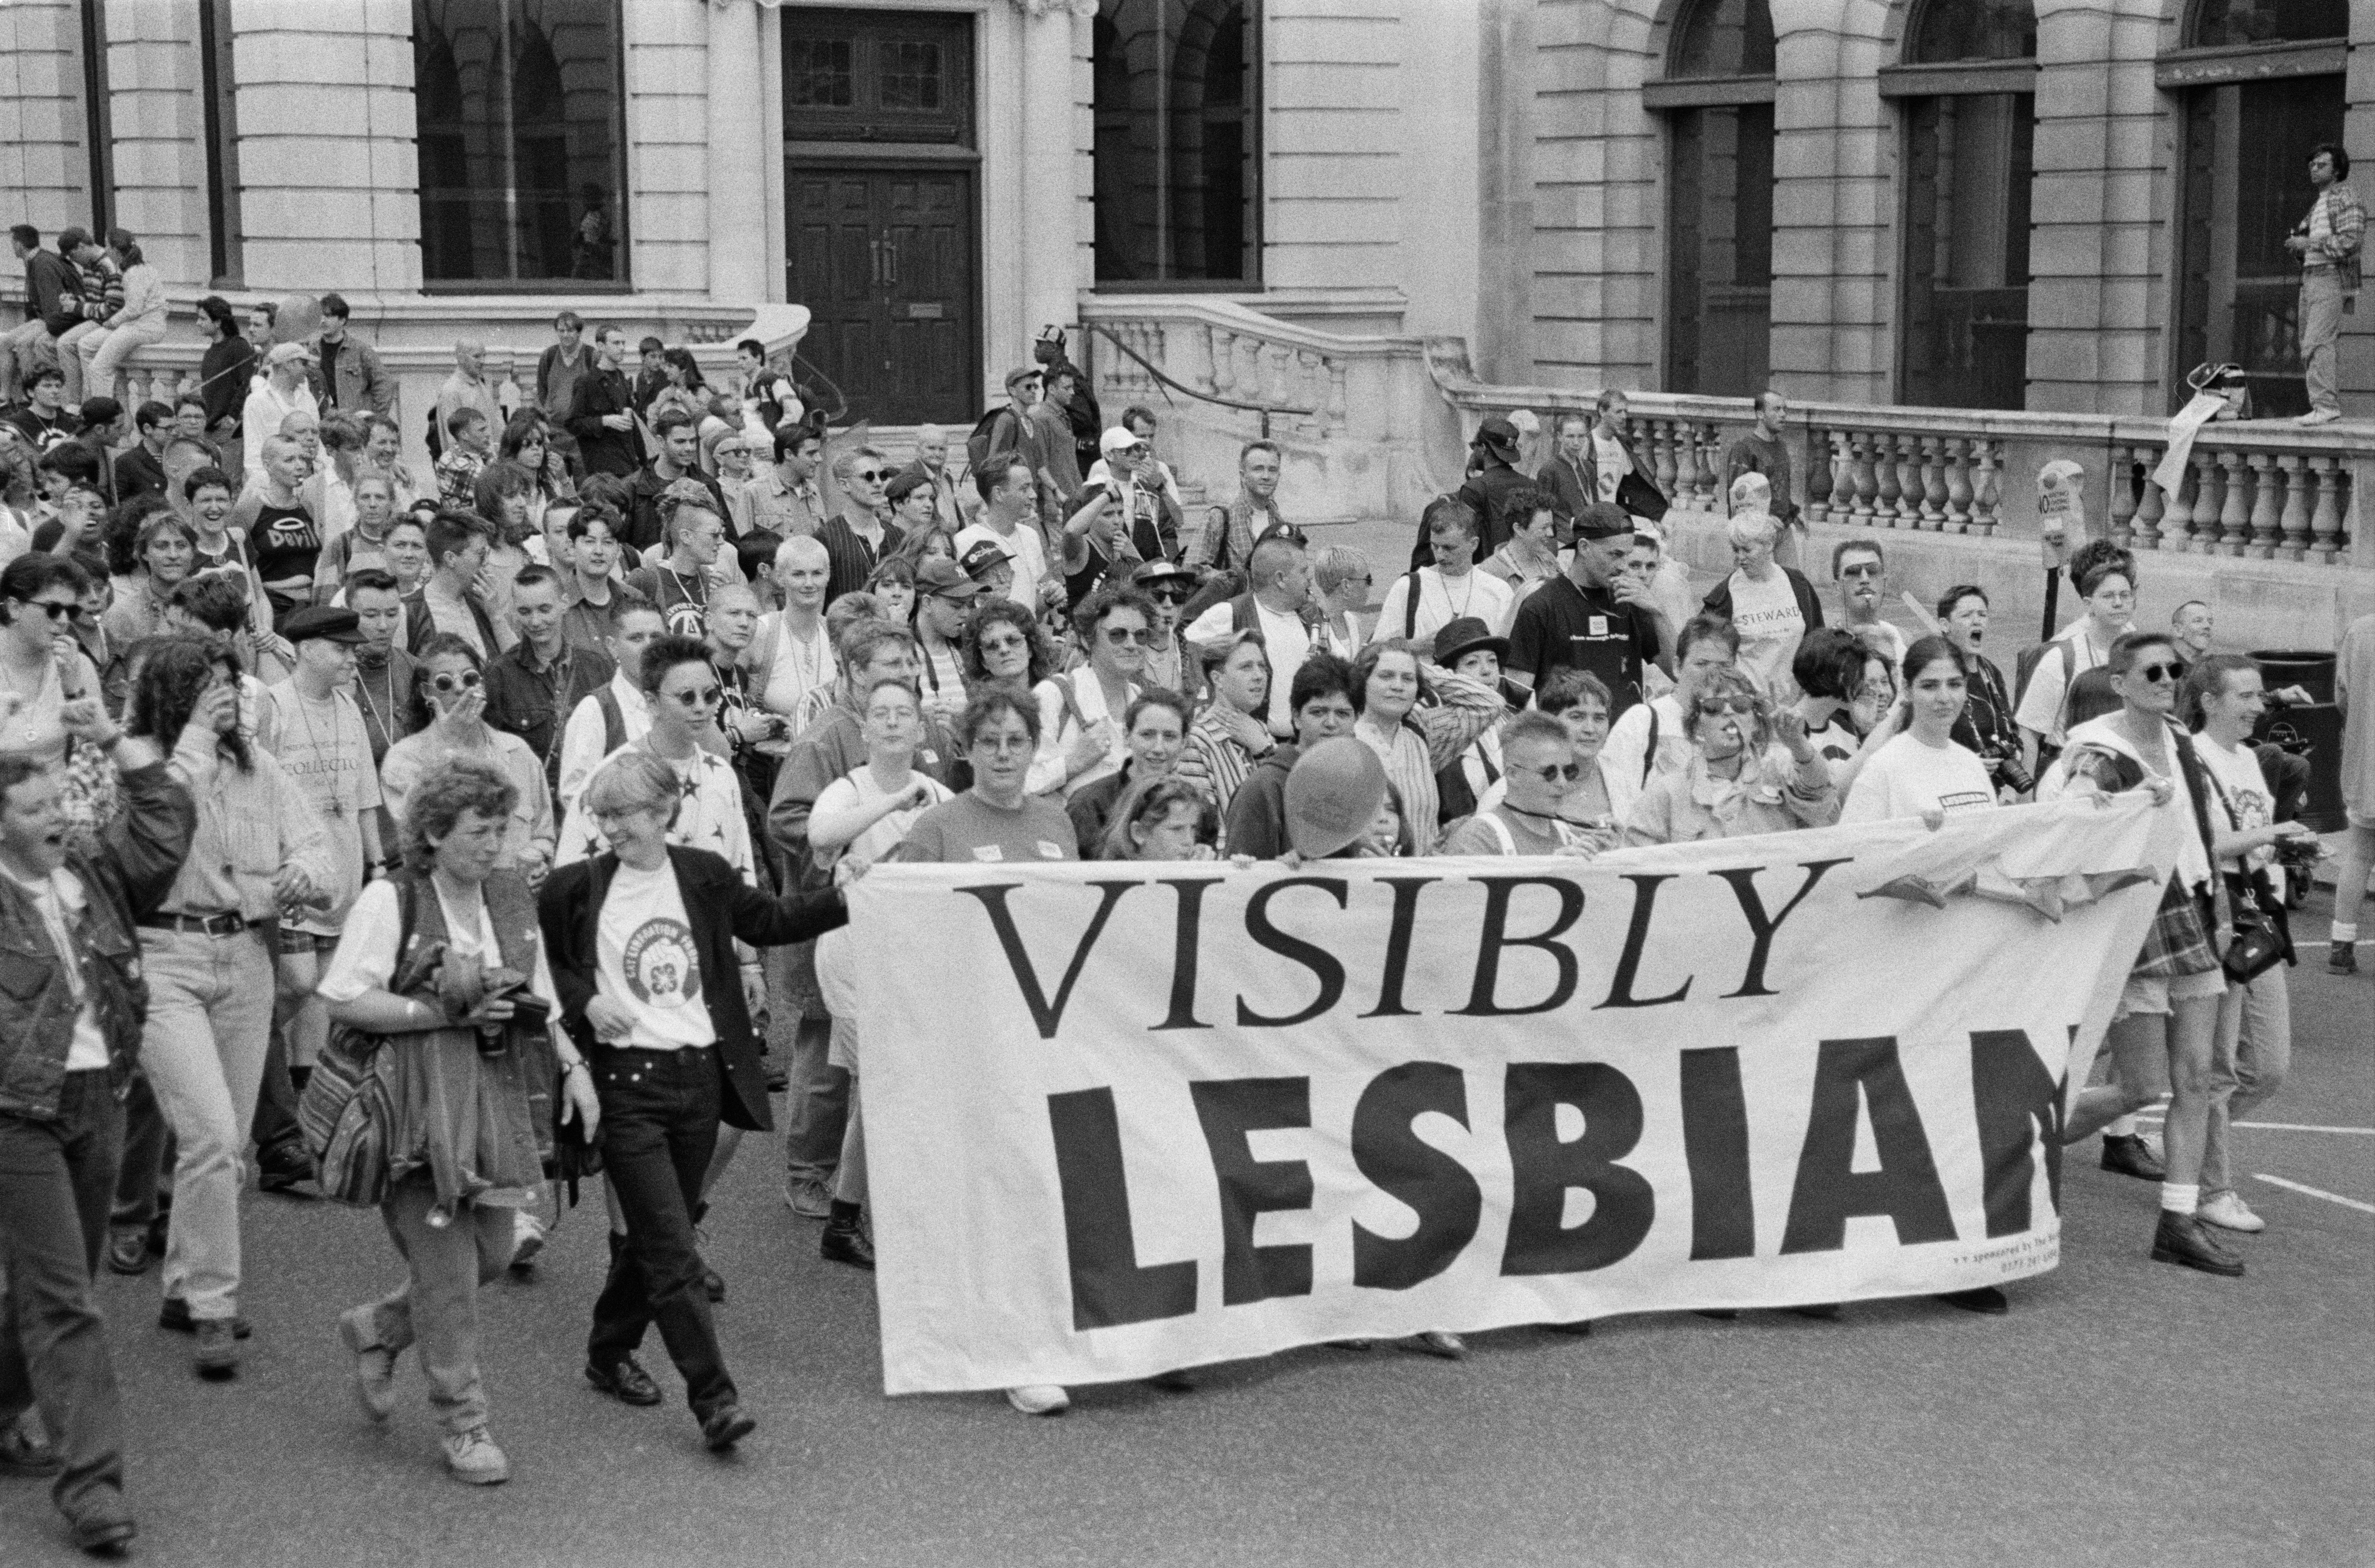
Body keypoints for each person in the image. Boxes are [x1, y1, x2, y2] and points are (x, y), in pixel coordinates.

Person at [539, 750, 848, 1453]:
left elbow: (769, 921)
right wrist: (588, 999)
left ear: (662, 812)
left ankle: (608, 1349)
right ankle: (715, 1399)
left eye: (624, 815)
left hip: (699, 1082)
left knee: (657, 1234)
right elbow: (547, 966)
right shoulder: (573, 889)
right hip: (624, 1088)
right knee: (675, 1249)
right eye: (603, 815)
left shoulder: (703, 874)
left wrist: (849, 897)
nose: (611, 827)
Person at [322, 757, 595, 1486]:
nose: (494, 844)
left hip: (495, 1099)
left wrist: (574, 1069)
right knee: (448, 1275)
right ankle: (464, 1424)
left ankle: (377, 1329)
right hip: (414, 1107)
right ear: (435, 835)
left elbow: (540, 1002)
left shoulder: (508, 895)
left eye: (501, 828)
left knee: (496, 1256)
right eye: (479, 831)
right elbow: (345, 1000)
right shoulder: (393, 899)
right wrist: (437, 1011)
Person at [0, 703, 192, 1555]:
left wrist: (116, 739)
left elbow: (164, 821)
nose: (57, 820)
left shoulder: (92, 872)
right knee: (68, 1300)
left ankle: (3, 1403)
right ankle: (93, 1487)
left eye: (58, 806)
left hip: (99, 1098)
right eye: (35, 809)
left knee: (58, 1285)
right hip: (18, 1116)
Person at [124, 639, 331, 1375]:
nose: (226, 698)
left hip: (245, 956)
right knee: (209, 1132)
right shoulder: (143, 762)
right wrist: (194, 740)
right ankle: (214, 1303)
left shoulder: (258, 768)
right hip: (165, 957)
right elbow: (158, 817)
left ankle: (183, 1285)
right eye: (208, 687)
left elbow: (316, 844)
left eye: (229, 686)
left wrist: (296, 876)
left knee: (227, 1145)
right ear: (175, 696)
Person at [2042, 631, 2238, 1275]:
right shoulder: (2101, 747)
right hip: (2135, 914)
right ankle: (2028, 1144)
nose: (2165, 677)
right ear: (2120, 681)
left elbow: (2199, 830)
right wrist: (2110, 800)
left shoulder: (2180, 738)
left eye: (2173, 668)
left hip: (2190, 908)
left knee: (2197, 1077)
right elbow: (2073, 807)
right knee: (2140, 1085)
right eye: (2150, 670)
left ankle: (2177, 1220)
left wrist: (2221, 904)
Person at [803, 675, 954, 1265]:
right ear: (863, 728)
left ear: (921, 729)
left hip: (913, 959)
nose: (893, 722)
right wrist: (895, 801)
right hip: (852, 956)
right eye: (881, 713)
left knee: (889, 1087)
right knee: (883, 1084)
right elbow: (820, 834)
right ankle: (850, 1217)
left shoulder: (940, 796)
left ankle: (854, 1215)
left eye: (904, 714)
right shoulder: (846, 789)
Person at [2183, 654, 2317, 1234]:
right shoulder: (2192, 757)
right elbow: (2205, 845)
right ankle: (2211, 1186)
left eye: (2261, 696)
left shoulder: (2246, 759)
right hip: (2218, 919)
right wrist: (2270, 833)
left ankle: (2182, 1141)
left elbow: (2252, 843)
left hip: (2260, 922)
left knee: (2267, 1066)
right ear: (2210, 700)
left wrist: (2290, 848)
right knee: (2217, 1069)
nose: (2259, 706)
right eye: (2246, 695)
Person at [380, 635, 557, 887]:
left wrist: (538, 858)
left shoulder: (517, 751)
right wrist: (451, 744)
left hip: (514, 896)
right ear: (425, 692)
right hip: (447, 898)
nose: (460, 689)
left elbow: (544, 833)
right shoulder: (404, 759)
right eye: (445, 683)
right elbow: (421, 838)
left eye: (470, 678)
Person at [1620, 667, 1835, 845]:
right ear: (1696, 725)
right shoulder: (1667, 792)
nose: (1729, 713)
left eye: (1741, 705)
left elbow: (1820, 799)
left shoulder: (1781, 771)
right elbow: (1638, 864)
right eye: (1713, 707)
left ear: (1755, 721)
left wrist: (1797, 743)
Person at [1505, 502, 1674, 715]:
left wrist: (1659, 612)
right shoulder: (1541, 605)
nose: (1624, 565)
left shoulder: (1631, 600)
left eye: (1627, 555)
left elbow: (1676, 669)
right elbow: (1516, 693)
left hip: (1623, 739)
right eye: (1615, 555)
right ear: (1584, 547)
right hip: (1568, 740)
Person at [1348, 639, 1506, 853]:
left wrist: (1418, 667)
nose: (1398, 686)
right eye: (1386, 676)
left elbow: (1490, 704)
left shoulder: (1423, 731)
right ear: (1362, 682)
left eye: (1408, 679)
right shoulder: (1344, 735)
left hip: (1424, 876)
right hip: (1365, 873)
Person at [483, 564, 615, 798]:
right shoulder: (499, 675)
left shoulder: (598, 666)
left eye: (545, 609)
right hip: (530, 808)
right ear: (514, 611)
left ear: (564, 603)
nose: (535, 622)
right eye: (525, 612)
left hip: (588, 804)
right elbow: (491, 755)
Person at [1841, 636, 1996, 824]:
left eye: (1955, 684)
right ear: (1907, 689)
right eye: (1930, 686)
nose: (1944, 697)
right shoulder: (1883, 767)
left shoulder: (1971, 764)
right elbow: (1855, 846)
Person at [2015, 541, 2136, 777]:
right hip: (2069, 770)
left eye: (2125, 595)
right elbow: (2029, 733)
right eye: (2109, 596)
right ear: (2088, 604)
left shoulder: (2139, 647)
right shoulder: (2062, 656)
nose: (2119, 603)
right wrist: (2026, 796)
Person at [1183, 533, 1316, 739]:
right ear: (1281, 579)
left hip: (1303, 746)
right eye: (1304, 571)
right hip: (1250, 747)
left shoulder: (1310, 616)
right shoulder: (1230, 612)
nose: (1310, 578)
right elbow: (1185, 651)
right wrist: (1219, 710)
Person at [1031, 585, 1154, 799]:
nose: (1132, 645)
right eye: (1118, 635)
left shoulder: (1141, 700)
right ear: (1088, 640)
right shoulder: (1054, 694)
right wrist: (1073, 763)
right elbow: (1022, 782)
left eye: (1141, 636)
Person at [555, 597, 667, 815]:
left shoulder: (678, 701)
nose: (649, 647)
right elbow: (574, 795)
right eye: (636, 638)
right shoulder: (596, 709)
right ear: (613, 647)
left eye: (656, 637)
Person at [1440, 710, 1603, 856]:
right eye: (1549, 772)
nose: (1562, 783)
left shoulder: (1570, 836)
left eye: (1569, 771)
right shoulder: (1478, 840)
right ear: (1513, 775)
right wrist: (1551, 872)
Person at [1703, 511, 1822, 699]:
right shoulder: (1724, 597)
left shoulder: (1798, 584)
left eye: (1747, 550)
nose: (1740, 558)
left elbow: (1817, 642)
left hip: (1795, 703)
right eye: (1736, 550)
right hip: (1748, 703)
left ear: (1769, 546)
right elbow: (1708, 656)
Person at [1374, 497, 1514, 649]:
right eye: (1435, 546)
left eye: (1449, 548)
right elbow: (1375, 649)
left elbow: (1509, 650)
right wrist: (1416, 646)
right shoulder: (1408, 586)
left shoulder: (1499, 591)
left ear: (1474, 544)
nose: (1440, 556)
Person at [1066, 688, 1191, 854]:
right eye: (1147, 735)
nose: (1158, 748)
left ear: (1184, 742)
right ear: (1127, 736)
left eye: (1170, 737)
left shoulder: (1196, 807)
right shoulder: (1088, 804)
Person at [2289, 143, 2361, 425]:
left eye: (2322, 166)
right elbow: (2309, 243)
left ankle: (2326, 406)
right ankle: (2321, 405)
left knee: (2319, 342)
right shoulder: (2318, 204)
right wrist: (2298, 246)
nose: (2314, 170)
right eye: (2312, 166)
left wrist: (2308, 243)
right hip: (2310, 279)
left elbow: (2351, 241)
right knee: (2308, 344)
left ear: (2338, 170)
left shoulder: (2346, 197)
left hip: (2330, 277)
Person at [1178, 629, 1274, 821]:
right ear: (1217, 679)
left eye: (1262, 667)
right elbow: (1201, 825)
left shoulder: (1260, 730)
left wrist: (1263, 748)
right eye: (1247, 667)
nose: (1260, 676)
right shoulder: (1196, 739)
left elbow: (1285, 802)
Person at [954, 452, 1058, 617]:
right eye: (1024, 488)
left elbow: (1033, 610)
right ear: (999, 494)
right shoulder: (964, 541)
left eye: (1032, 487)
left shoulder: (1031, 535)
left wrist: (1049, 600)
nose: (1034, 495)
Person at [73, 231, 168, 408]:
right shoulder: (137, 270)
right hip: (135, 326)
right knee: (85, 345)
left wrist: (113, 322)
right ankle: (91, 399)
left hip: (144, 328)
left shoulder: (135, 273)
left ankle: (103, 412)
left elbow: (134, 309)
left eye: (108, 246)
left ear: (116, 250)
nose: (105, 250)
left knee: (100, 368)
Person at [2330, 612, 2375, 975]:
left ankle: (2341, 944)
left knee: (2359, 856)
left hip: (2366, 764)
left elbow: (2341, 696)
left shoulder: (2360, 631)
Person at [623, 484, 724, 639]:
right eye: (715, 535)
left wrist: (725, 601)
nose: (722, 542)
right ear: (686, 536)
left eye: (722, 534)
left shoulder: (713, 581)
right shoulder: (645, 581)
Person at [346, 567, 419, 770]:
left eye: (392, 614)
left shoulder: (413, 668)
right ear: (349, 614)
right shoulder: (336, 672)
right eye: (371, 615)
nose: (383, 626)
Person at [816, 448, 906, 606]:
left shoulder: (898, 536)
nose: (878, 483)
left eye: (882, 476)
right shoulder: (825, 538)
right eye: (868, 477)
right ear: (844, 485)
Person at [1722, 392, 1800, 562]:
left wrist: (1793, 514)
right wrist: (1762, 522)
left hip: (1783, 530)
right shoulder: (1744, 449)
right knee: (1754, 584)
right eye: (1777, 409)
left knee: (1793, 582)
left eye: (1784, 409)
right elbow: (1738, 501)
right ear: (1760, 414)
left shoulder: (1781, 447)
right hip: (1757, 536)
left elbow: (1778, 487)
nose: (1783, 414)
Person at [1191, 440, 1288, 574]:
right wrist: (1236, 581)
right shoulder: (1221, 517)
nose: (1266, 476)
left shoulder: (1277, 520)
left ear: (1279, 475)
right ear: (1243, 475)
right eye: (1258, 469)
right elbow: (1193, 569)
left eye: (1273, 470)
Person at [565, 325, 644, 480]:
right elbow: (573, 424)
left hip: (628, 460)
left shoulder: (621, 378)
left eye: (623, 343)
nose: (622, 348)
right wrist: (605, 421)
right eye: (616, 343)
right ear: (601, 346)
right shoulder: (586, 382)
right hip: (602, 466)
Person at [239, 344, 318, 488]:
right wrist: (266, 490)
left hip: (308, 483)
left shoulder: (308, 399)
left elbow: (319, 446)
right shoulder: (257, 401)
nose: (308, 369)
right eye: (304, 363)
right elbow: (254, 452)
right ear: (289, 365)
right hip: (271, 486)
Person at [308, 294, 396, 418]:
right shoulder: (311, 350)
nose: (323, 321)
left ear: (343, 321)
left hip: (352, 424)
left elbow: (384, 383)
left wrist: (376, 418)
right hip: (321, 420)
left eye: (329, 316)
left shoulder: (360, 350)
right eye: (321, 316)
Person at [1478, 489, 1563, 612]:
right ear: (1519, 529)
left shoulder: (1548, 558)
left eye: (1551, 526)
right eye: (1544, 528)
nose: (1550, 534)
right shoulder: (1490, 572)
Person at [559, 503, 629, 651]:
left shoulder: (634, 599)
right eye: (589, 541)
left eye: (608, 542)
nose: (598, 551)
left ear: (619, 551)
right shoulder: (555, 603)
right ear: (572, 547)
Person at [960, 595, 1056, 699]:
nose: (1004, 650)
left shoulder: (1055, 696)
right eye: (992, 646)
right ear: (982, 661)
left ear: (1030, 649)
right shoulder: (981, 712)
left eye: (1013, 640)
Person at [1830, 540, 1904, 668]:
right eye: (1853, 572)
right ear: (1837, 587)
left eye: (1873, 571)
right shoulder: (1825, 648)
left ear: (1884, 582)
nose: (1865, 579)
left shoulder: (1904, 640)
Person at [748, 423, 829, 541]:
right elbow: (743, 548)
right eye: (811, 453)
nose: (819, 459)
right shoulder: (752, 491)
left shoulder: (814, 491)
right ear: (789, 454)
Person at [1310, 546, 1373, 658]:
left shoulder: (1352, 621)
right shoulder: (1311, 625)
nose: (1370, 586)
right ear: (1346, 586)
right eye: (1368, 581)